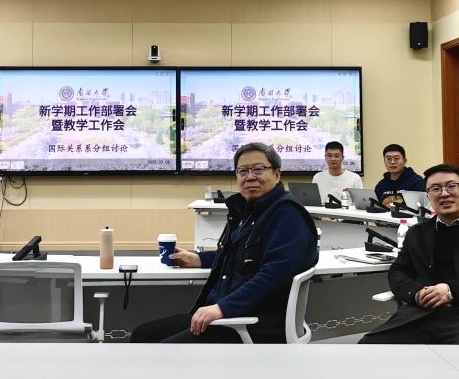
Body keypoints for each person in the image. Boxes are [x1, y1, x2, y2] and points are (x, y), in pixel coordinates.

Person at [131, 143, 318, 343]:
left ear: (277, 174)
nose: (250, 177)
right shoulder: (249, 212)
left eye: (258, 169)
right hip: (231, 315)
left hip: (253, 322)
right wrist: (198, 259)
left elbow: (275, 274)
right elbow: (239, 255)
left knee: (161, 350)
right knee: (144, 334)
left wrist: (223, 308)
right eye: (243, 171)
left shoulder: (287, 214)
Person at [359, 164, 459, 345]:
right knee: (369, 347)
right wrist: (417, 293)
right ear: (428, 197)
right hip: (420, 314)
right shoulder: (417, 233)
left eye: (452, 186)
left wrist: (451, 291)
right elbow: (398, 271)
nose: (444, 194)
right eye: (435, 189)